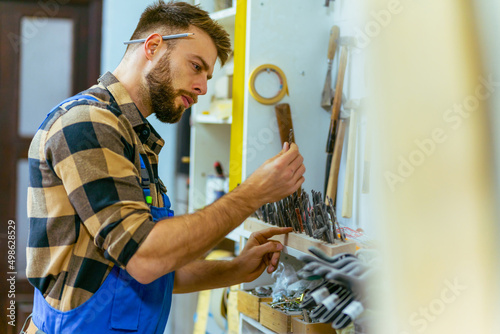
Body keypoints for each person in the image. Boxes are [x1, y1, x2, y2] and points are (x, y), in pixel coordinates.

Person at [24, 1, 305, 333]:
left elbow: (146, 273)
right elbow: (144, 258)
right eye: (196, 65)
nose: (202, 87)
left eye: (207, 75)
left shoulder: (134, 138)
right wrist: (251, 195)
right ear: (153, 46)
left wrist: (233, 269)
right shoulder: (89, 124)